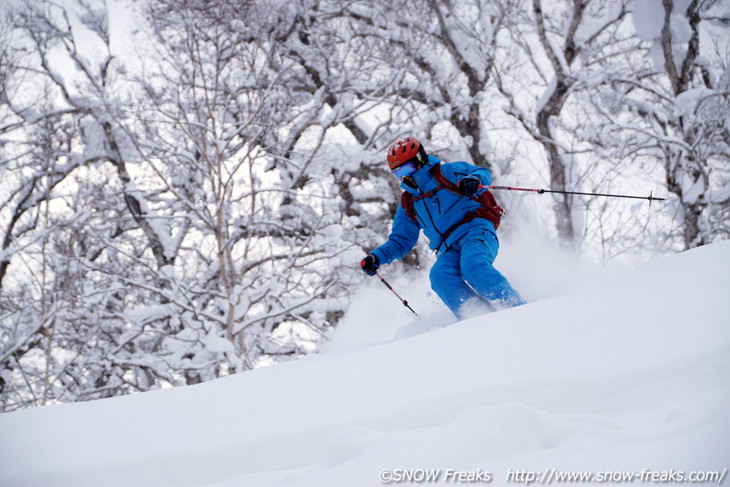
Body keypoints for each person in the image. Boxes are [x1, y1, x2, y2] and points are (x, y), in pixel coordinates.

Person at [360, 137, 525, 318]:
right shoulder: (409, 202)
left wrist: (473, 180)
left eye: (408, 169)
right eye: (399, 174)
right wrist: (376, 257)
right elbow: (400, 241)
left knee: (472, 265)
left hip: (476, 230)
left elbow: (482, 173)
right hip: (447, 247)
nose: (406, 177)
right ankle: (476, 317)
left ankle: (515, 308)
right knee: (440, 276)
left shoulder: (449, 172)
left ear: (421, 159)